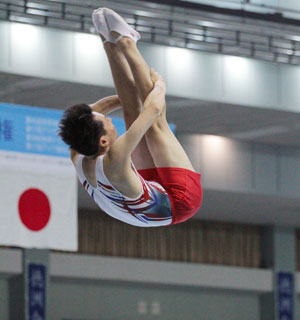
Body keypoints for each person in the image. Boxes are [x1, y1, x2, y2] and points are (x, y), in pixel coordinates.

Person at [59, 8, 202, 228]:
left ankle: (109, 42)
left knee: (131, 112)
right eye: (106, 122)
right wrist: (159, 84)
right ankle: (128, 44)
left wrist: (130, 97)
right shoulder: (108, 158)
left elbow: (100, 109)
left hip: (143, 191)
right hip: (179, 203)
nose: (108, 119)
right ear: (103, 141)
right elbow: (153, 109)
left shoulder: (81, 151)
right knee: (155, 126)